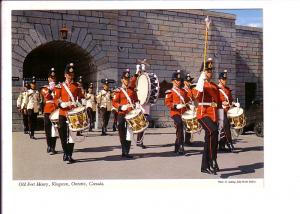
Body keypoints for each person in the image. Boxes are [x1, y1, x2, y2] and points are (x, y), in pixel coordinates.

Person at [194, 58, 222, 174]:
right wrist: (201, 78)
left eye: (211, 71)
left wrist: (221, 119)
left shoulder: (215, 86)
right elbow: (196, 95)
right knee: (212, 132)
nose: (210, 73)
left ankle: (204, 166)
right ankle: (212, 159)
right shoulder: (200, 85)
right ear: (203, 72)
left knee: (209, 139)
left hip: (214, 114)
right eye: (207, 71)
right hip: (203, 113)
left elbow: (219, 103)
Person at [54, 63, 84, 164]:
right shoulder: (59, 86)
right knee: (62, 135)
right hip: (62, 113)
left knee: (72, 135)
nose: (70, 76)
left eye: (72, 74)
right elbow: (55, 98)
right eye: (68, 74)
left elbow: (80, 98)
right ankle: (65, 152)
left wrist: (80, 103)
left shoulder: (77, 86)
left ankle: (69, 154)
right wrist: (60, 103)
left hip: (73, 114)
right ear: (65, 75)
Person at [112, 69, 138, 158]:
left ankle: (127, 151)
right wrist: (120, 107)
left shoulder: (132, 90)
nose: (126, 80)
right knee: (120, 127)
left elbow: (136, 100)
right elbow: (114, 102)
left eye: (128, 79)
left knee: (130, 132)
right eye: (125, 79)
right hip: (122, 113)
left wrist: (137, 105)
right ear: (122, 80)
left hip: (130, 113)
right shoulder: (118, 91)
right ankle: (123, 149)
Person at [165, 70, 189, 155]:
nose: (179, 82)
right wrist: (175, 106)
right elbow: (167, 102)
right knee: (179, 124)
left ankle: (177, 146)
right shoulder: (170, 91)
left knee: (180, 128)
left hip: (183, 112)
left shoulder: (183, 91)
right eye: (177, 80)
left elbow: (187, 100)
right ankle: (181, 145)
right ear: (173, 81)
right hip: (175, 113)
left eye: (179, 80)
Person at [218, 70, 239, 152]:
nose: (225, 81)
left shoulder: (227, 89)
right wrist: (222, 102)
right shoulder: (216, 89)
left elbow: (230, 101)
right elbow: (214, 101)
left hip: (227, 110)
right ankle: (229, 143)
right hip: (220, 110)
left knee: (225, 127)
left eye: (225, 79)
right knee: (225, 125)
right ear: (219, 80)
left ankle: (221, 145)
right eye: (223, 79)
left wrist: (235, 104)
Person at [40, 68, 58, 155]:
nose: (53, 79)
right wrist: (51, 89)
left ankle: (53, 147)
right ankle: (49, 145)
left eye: (54, 78)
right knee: (47, 129)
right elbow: (47, 96)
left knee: (54, 129)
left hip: (55, 110)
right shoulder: (44, 88)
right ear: (48, 78)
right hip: (47, 111)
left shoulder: (58, 87)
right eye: (51, 77)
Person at [182, 73, 196, 145]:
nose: (189, 82)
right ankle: (184, 141)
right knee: (186, 125)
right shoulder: (183, 90)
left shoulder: (191, 90)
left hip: (191, 108)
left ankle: (188, 140)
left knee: (190, 124)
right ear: (184, 82)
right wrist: (188, 105)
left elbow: (193, 99)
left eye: (190, 81)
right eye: (188, 81)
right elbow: (183, 101)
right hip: (185, 109)